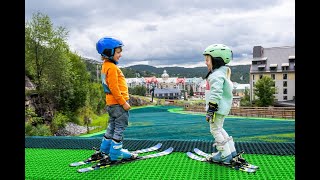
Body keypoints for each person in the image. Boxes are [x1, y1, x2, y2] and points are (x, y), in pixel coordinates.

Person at [90, 36, 137, 164]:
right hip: (118, 104)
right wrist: (124, 103)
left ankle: (104, 151)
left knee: (111, 127)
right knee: (120, 128)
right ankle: (115, 154)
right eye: (118, 52)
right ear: (109, 52)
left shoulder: (105, 66)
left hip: (111, 104)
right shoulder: (112, 68)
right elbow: (114, 88)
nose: (120, 55)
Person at [203, 44, 237, 165]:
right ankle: (231, 151)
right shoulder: (222, 73)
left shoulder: (216, 75)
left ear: (216, 60)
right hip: (222, 108)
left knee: (215, 130)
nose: (206, 63)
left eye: (207, 59)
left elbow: (216, 93)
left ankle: (224, 155)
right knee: (219, 128)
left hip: (216, 109)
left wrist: (211, 110)